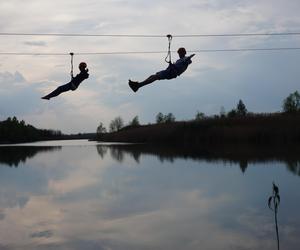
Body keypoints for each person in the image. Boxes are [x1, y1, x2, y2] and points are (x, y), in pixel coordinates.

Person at [128, 47, 195, 92]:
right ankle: (138, 85)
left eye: (180, 53)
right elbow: (177, 65)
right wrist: (171, 65)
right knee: (153, 76)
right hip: (169, 71)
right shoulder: (179, 60)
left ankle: (138, 86)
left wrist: (188, 58)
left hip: (172, 73)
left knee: (155, 77)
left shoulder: (186, 60)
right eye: (179, 53)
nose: (179, 54)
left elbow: (189, 61)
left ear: (184, 53)